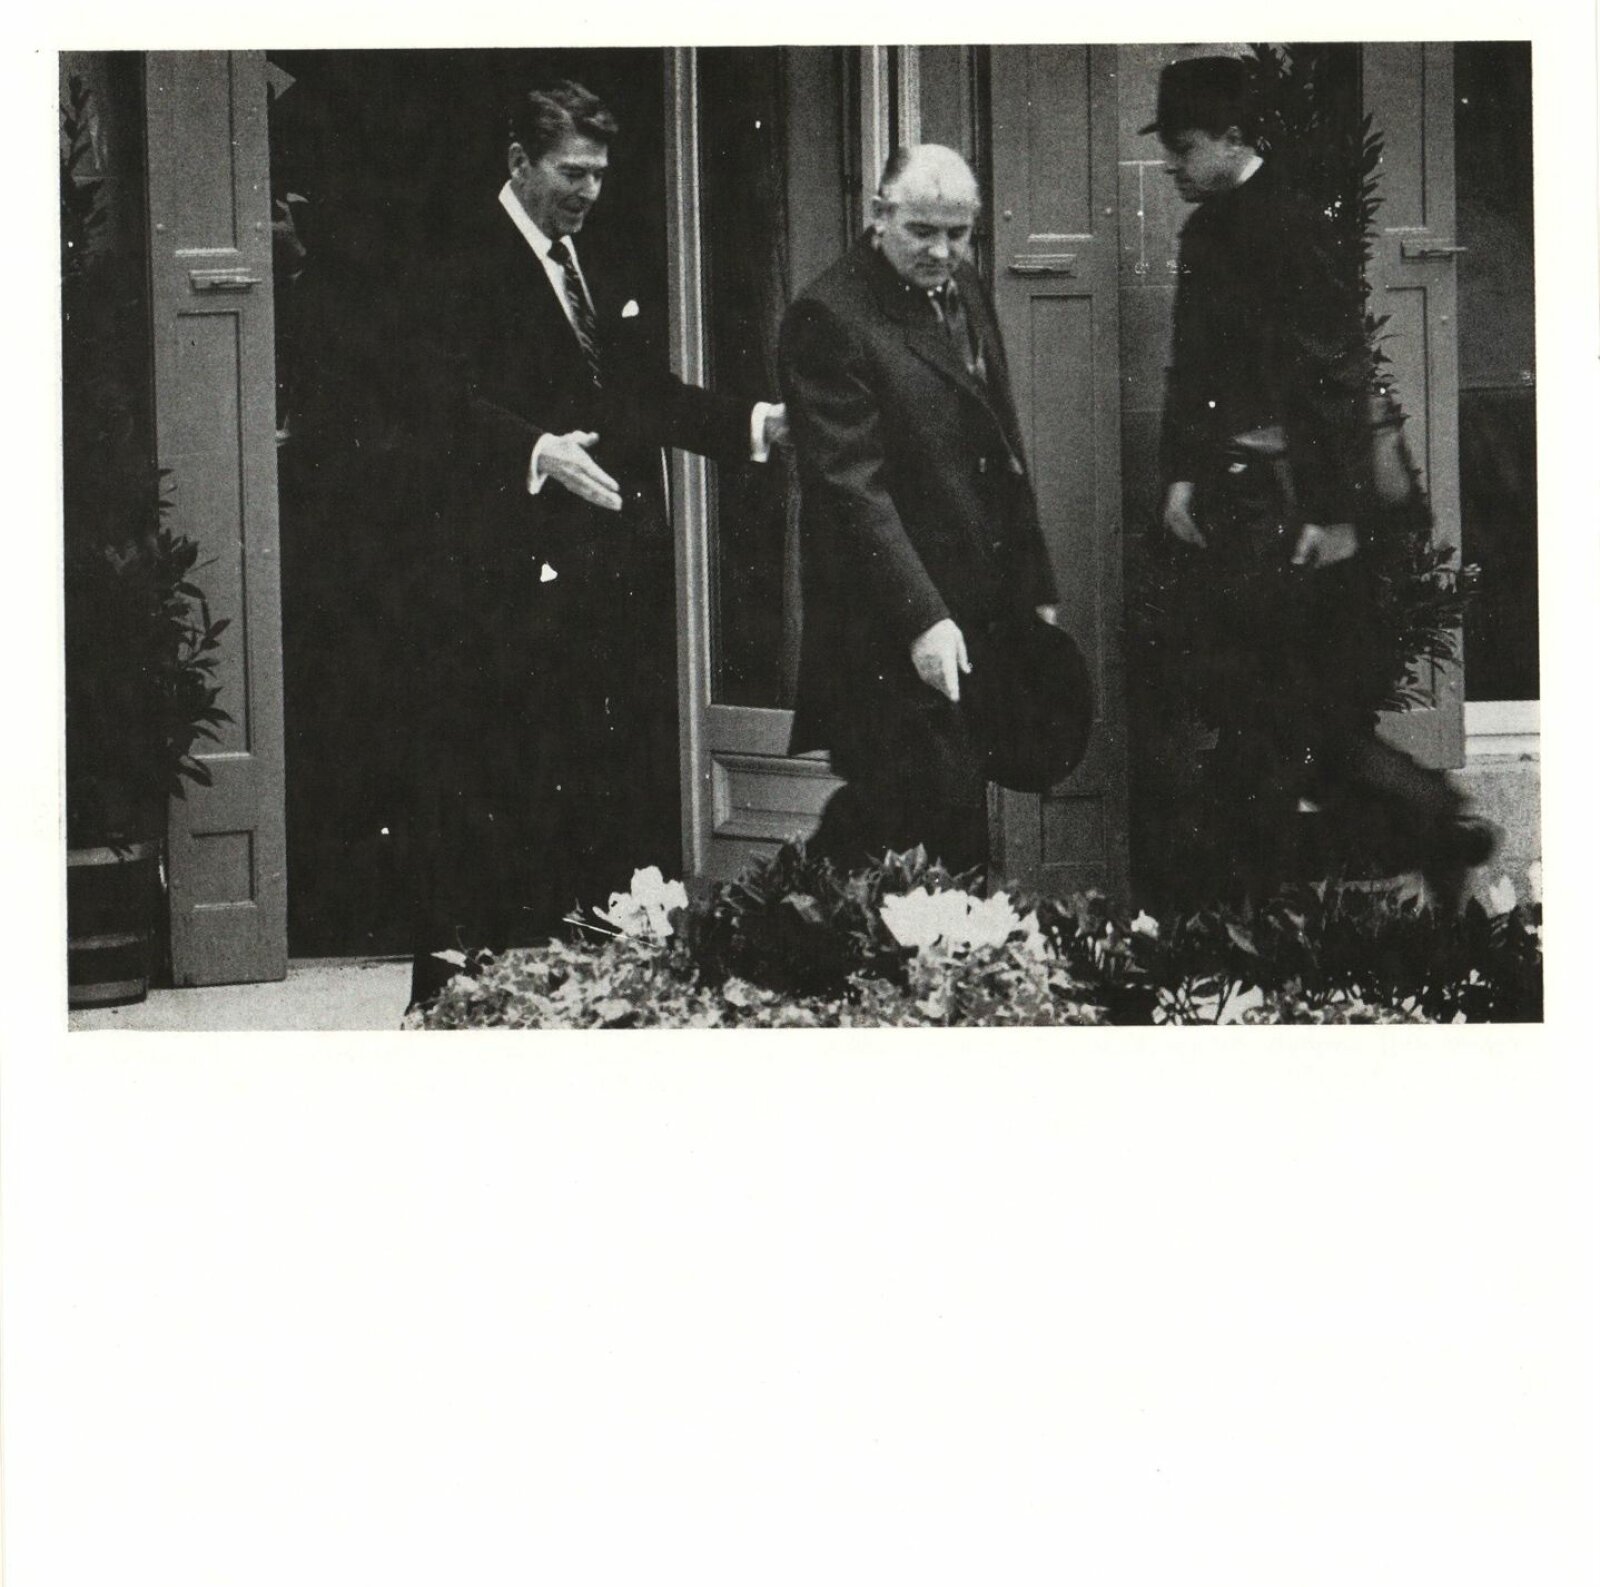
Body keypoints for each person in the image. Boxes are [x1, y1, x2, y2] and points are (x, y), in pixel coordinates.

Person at [403, 80, 787, 1007]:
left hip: (609, 573)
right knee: (500, 794)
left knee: (600, 790)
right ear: (519, 162)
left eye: (601, 175)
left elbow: (645, 395)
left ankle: (591, 995)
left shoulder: (596, 258)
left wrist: (756, 424)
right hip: (500, 580)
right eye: (572, 172)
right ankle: (460, 1005)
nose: (589, 192)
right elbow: (426, 401)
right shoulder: (456, 257)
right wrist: (536, 450)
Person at [1146, 55, 1498, 906]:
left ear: (1235, 138)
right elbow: (1194, 366)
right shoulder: (1208, 230)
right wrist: (1182, 476)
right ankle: (1424, 836)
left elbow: (1335, 373)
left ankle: (1430, 829)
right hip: (1240, 506)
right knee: (1278, 720)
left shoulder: (1293, 224)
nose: (1172, 165)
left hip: (1294, 511)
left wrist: (1337, 514)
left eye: (1185, 147)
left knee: (1292, 723)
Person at [780, 144, 1060, 877]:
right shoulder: (829, 315)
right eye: (921, 231)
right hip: (885, 624)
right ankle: (793, 915)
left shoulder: (963, 287)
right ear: (879, 216)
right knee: (906, 829)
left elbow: (1003, 443)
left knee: (944, 825)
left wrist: (1034, 582)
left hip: (973, 612)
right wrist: (923, 619)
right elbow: (852, 488)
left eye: (957, 233)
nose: (941, 251)